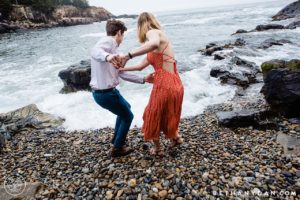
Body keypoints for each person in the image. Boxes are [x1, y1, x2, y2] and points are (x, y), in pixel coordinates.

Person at [119, 12, 184, 156]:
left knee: (151, 114)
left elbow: (152, 43)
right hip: (176, 82)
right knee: (168, 112)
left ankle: (158, 149)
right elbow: (139, 67)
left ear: (141, 26)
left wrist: (128, 55)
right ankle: (176, 138)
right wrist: (121, 68)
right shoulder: (161, 41)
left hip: (164, 84)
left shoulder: (153, 32)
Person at [90, 19, 151, 157]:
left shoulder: (113, 51)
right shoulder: (109, 42)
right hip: (106, 94)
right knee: (128, 116)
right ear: (119, 33)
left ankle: (116, 138)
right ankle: (118, 148)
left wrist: (143, 79)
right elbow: (95, 51)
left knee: (126, 108)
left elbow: (122, 73)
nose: (122, 39)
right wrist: (108, 56)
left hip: (105, 93)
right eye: (122, 35)